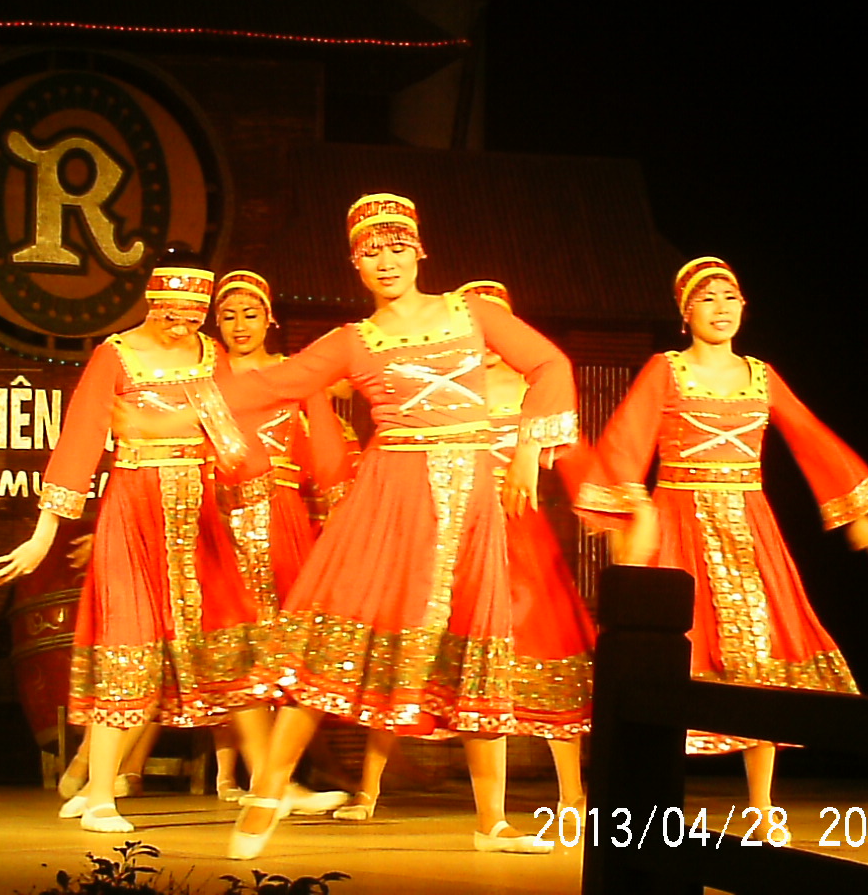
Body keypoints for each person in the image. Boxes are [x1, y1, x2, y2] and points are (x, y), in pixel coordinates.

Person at [226, 193, 580, 858]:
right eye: (370, 253)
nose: (385, 261)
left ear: (419, 252)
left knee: (478, 641)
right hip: (389, 497)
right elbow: (268, 388)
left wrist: (527, 451)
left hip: (472, 498)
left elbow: (550, 364)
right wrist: (173, 406)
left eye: (396, 248)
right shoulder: (352, 341)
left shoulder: (472, 314)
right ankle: (267, 791)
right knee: (332, 629)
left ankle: (492, 822)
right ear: (355, 266)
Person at [569, 255, 868, 832]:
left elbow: (809, 436)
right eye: (706, 299)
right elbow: (626, 439)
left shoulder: (762, 376)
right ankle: (650, 804)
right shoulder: (666, 370)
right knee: (676, 658)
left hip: (749, 526)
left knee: (760, 655)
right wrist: (631, 510)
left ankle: (762, 804)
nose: (720, 308)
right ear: (685, 314)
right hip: (679, 521)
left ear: (745, 307)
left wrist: (859, 516)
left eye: (729, 297)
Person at [0, 248, 274, 833]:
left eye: (193, 317)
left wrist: (249, 514)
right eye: (172, 315)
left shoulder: (209, 354)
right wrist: (44, 534)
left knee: (229, 643)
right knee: (126, 642)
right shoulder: (115, 355)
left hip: (198, 519)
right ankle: (99, 796)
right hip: (133, 512)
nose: (182, 328)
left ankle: (270, 783)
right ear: (153, 301)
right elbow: (80, 440)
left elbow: (233, 439)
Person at [331, 280, 598, 824]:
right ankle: (368, 789)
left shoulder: (532, 391)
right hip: (442, 534)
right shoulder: (447, 387)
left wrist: (610, 501)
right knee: (410, 647)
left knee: (543, 660)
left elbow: (577, 457)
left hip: (519, 541)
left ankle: (572, 794)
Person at [210, 269, 352, 804]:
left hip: (284, 518)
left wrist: (344, 515)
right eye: (228, 316)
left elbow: (327, 451)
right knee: (230, 644)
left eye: (250, 314)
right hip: (218, 517)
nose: (240, 325)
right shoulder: (206, 377)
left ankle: (273, 779)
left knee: (285, 646)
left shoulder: (296, 375)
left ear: (269, 318)